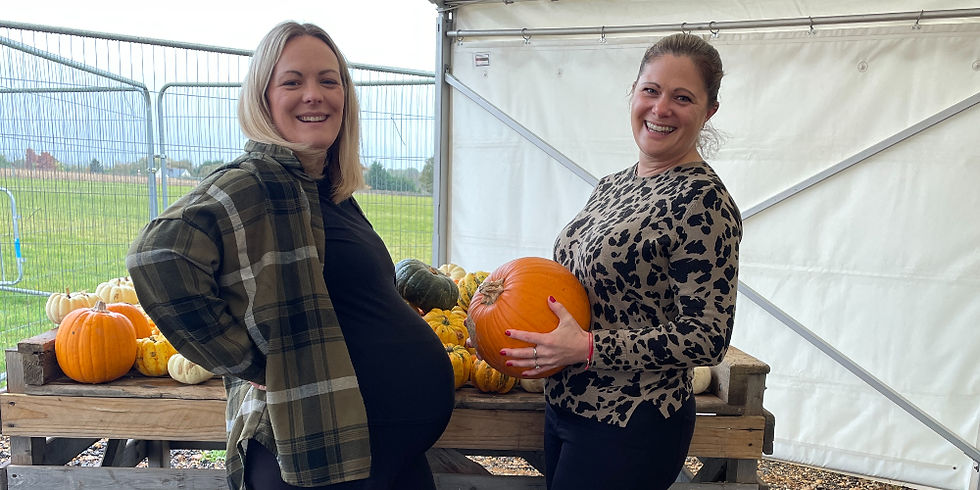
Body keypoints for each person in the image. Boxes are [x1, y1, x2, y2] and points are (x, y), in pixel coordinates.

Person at [126, 21, 454, 490]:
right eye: (293, 81)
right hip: (323, 453)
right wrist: (248, 361)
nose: (314, 94)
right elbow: (157, 255)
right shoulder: (258, 180)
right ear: (264, 98)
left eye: (328, 80)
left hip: (379, 451)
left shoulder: (322, 186)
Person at [499, 33, 742, 489]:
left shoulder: (702, 202)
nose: (660, 108)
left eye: (682, 98)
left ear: (708, 112)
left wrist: (590, 347)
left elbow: (707, 336)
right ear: (633, 92)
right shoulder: (613, 185)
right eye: (650, 90)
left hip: (632, 420)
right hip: (567, 405)